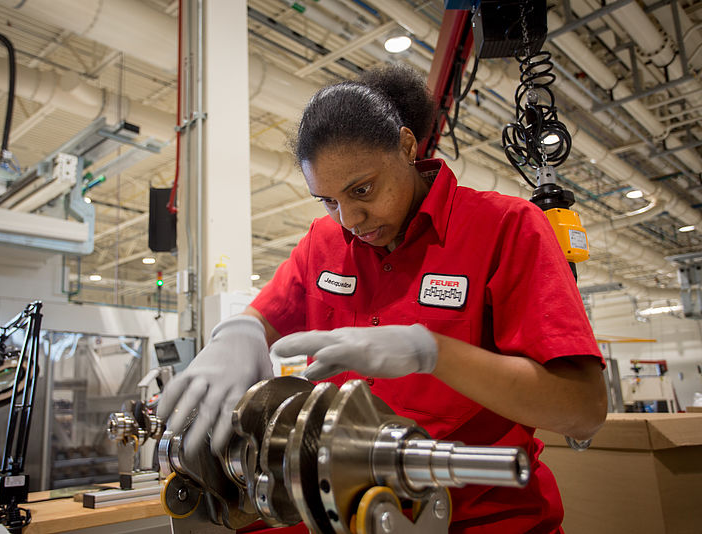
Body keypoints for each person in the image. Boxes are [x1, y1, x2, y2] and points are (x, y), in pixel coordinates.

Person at [158, 63, 607, 533]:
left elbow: (584, 411)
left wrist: (433, 353)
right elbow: (261, 316)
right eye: (328, 200)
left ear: (407, 146)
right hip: (344, 514)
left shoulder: (505, 229)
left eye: (362, 189)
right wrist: (238, 332)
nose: (350, 218)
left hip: (478, 516)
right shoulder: (323, 244)